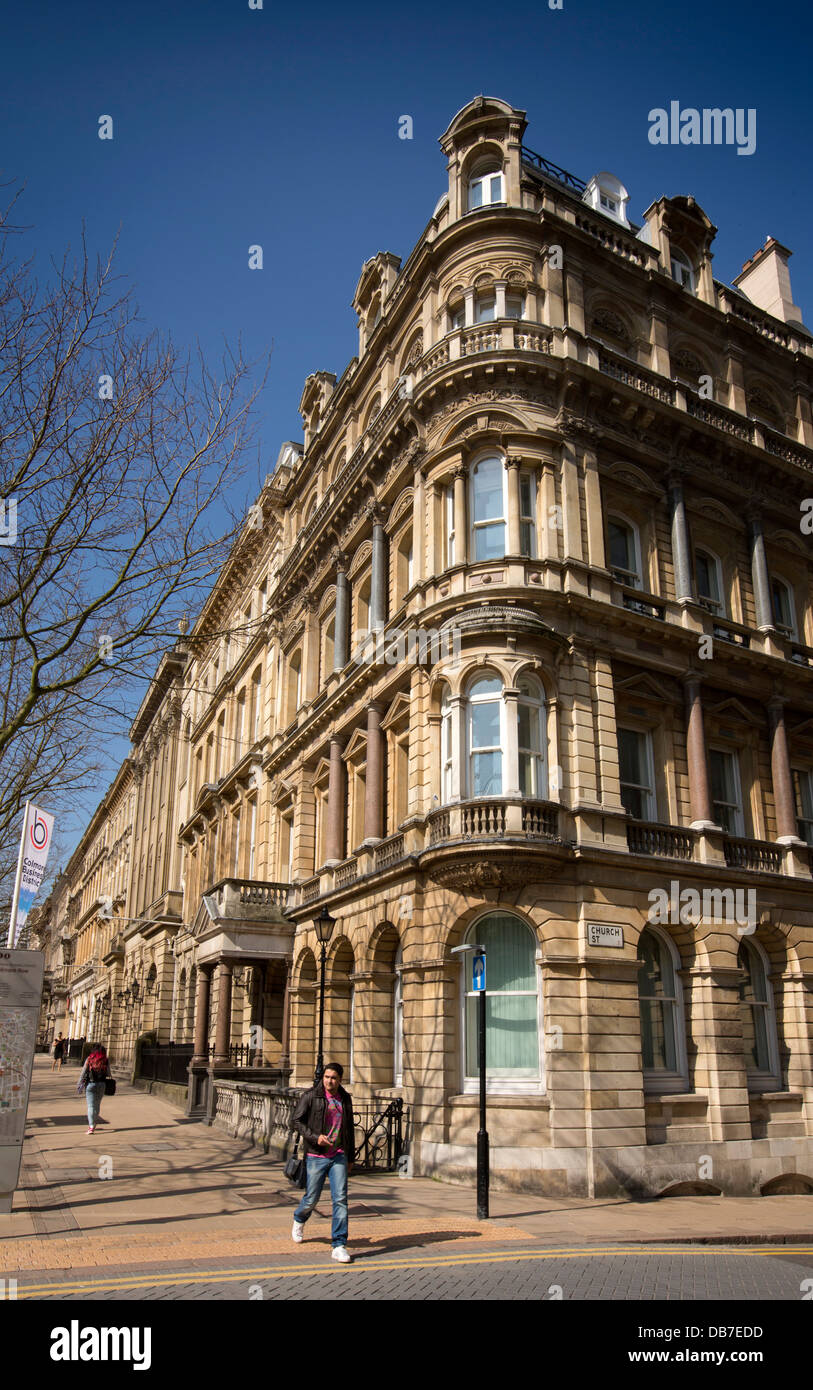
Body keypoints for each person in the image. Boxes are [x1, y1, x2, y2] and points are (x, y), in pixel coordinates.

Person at [291, 1062, 354, 1263]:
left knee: (340, 1199)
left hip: (338, 1155)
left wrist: (351, 1157)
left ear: (340, 1080)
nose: (329, 1081)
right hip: (316, 1155)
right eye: (327, 1077)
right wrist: (315, 1137)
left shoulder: (345, 1098)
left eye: (333, 1078)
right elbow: (296, 1121)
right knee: (311, 1198)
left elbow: (349, 1129)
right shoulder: (311, 1096)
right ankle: (299, 1218)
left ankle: (339, 1244)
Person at [76, 1043, 112, 1134]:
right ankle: (94, 1121)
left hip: (90, 1084)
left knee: (91, 1106)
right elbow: (109, 1073)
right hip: (102, 1084)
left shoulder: (89, 1059)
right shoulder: (105, 1060)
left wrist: (79, 1083)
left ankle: (91, 1126)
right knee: (97, 1105)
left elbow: (83, 1072)